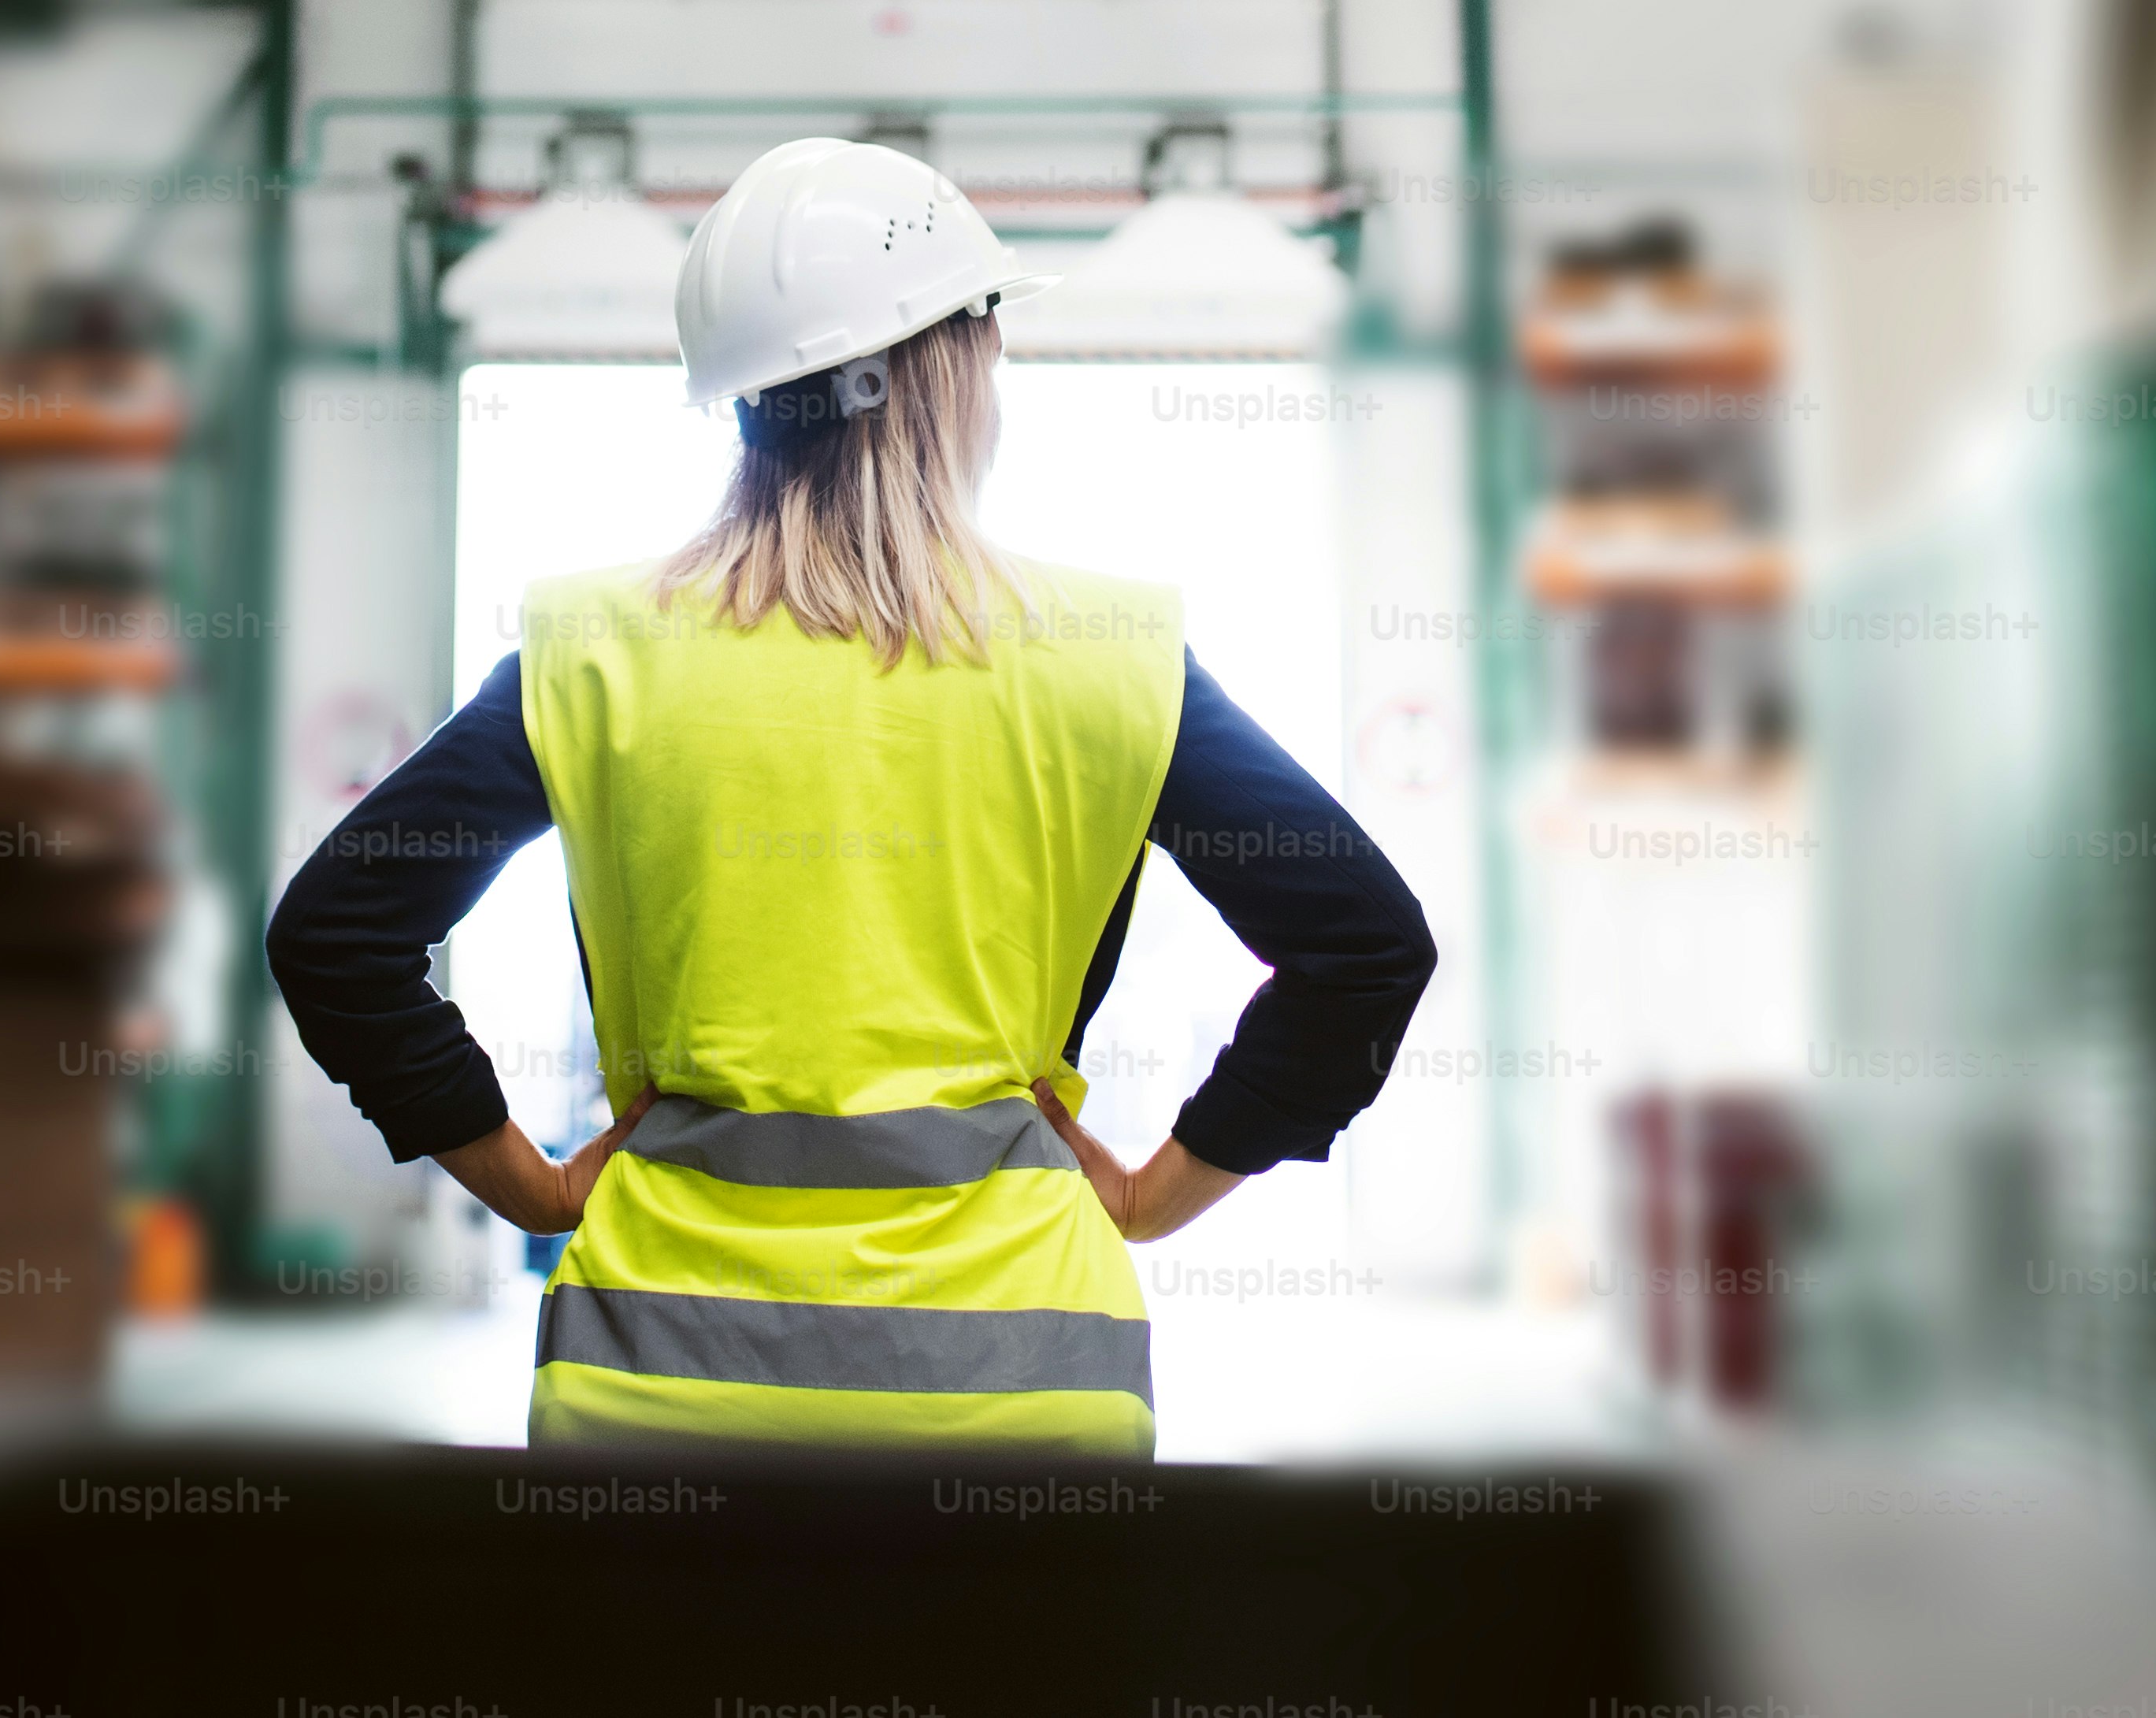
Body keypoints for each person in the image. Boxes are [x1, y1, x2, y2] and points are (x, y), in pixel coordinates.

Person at [267, 137, 1435, 1452]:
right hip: (1023, 1398)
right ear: (947, 368)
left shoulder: (589, 651)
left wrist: (525, 1186)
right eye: (985, 331)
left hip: (659, 1396)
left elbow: (336, 932)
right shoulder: (1115, 656)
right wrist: (1161, 1192)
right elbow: (1364, 948)